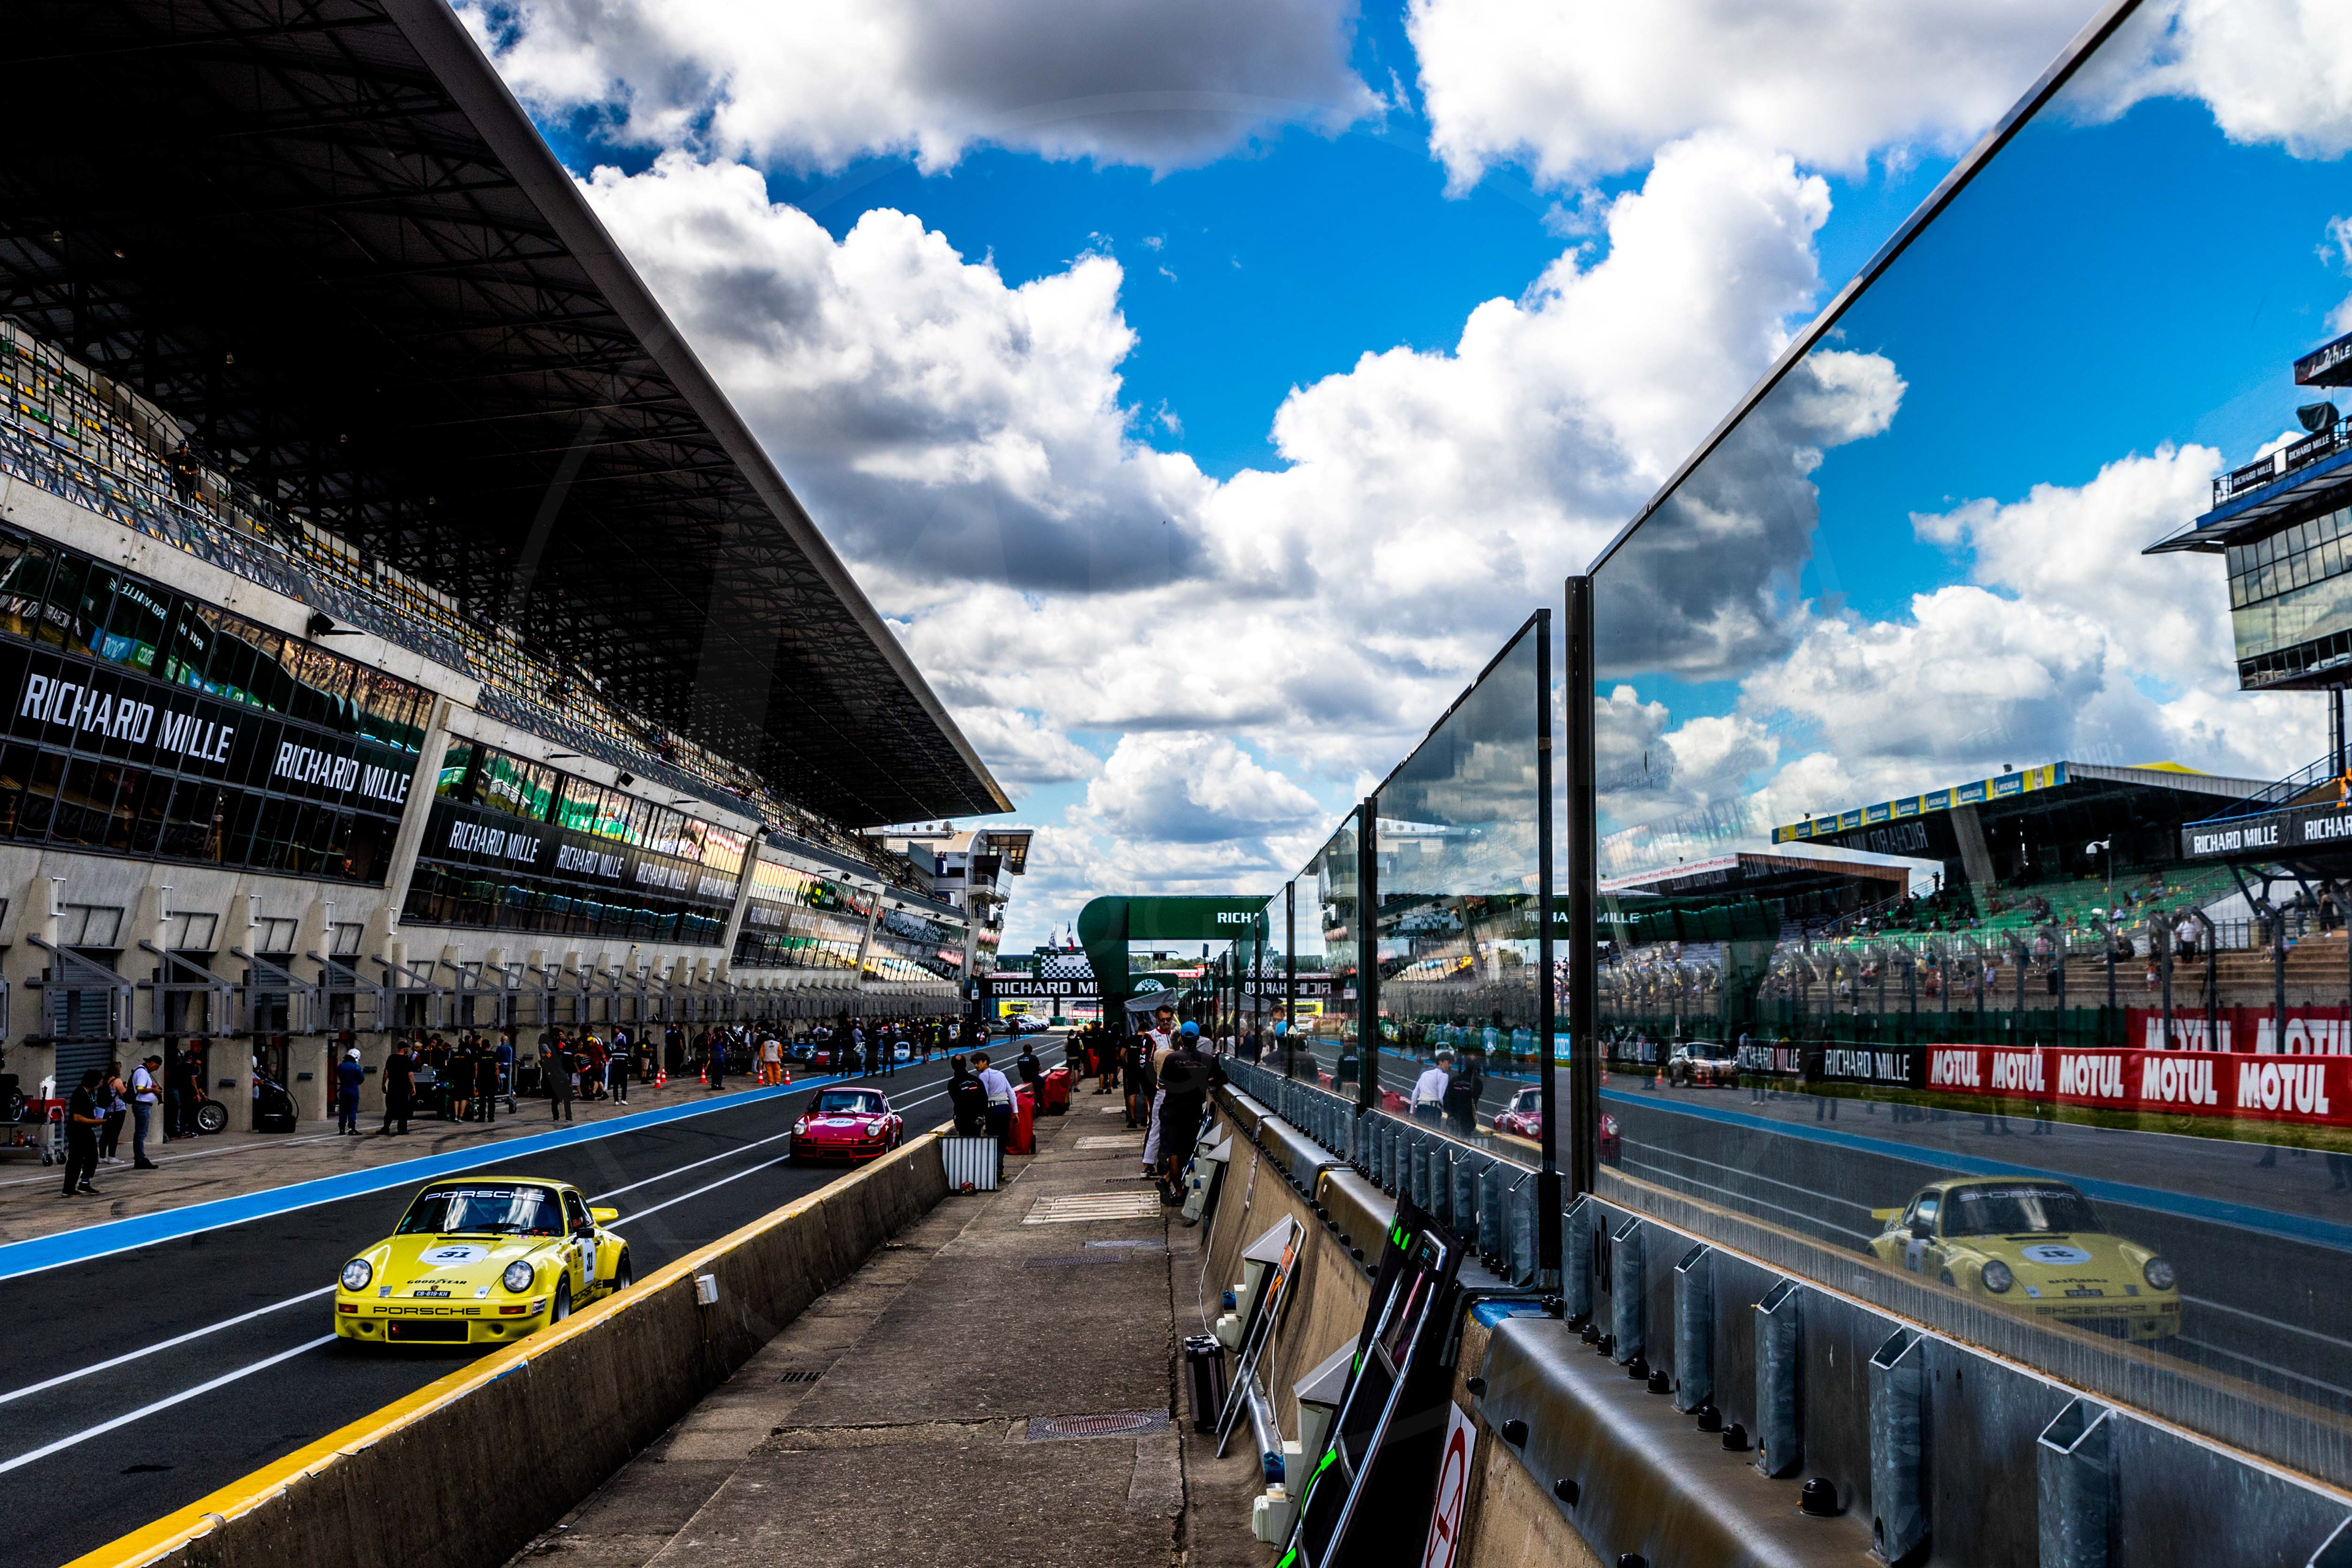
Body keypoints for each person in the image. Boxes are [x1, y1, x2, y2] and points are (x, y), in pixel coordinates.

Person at [61, 1069, 104, 1197]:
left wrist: (94, 1121)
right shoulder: (79, 1093)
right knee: (76, 1158)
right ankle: (68, 1187)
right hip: (76, 1130)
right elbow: (77, 1117)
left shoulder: (91, 1092)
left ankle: (85, 1182)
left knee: (93, 1155)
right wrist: (94, 1121)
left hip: (87, 1129)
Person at [974, 1052, 1016, 1148]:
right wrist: (1015, 1111)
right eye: (974, 1064)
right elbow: (1011, 1092)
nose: (976, 1066)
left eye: (978, 1063)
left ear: (985, 1062)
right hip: (1005, 1108)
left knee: (993, 1139)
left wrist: (981, 1113)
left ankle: (995, 1157)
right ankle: (1000, 1158)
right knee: (1003, 1138)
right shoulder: (1001, 1074)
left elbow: (984, 1095)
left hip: (993, 1109)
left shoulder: (983, 1076)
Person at [128, 1054, 161, 1169]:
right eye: (156, 1067)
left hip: (144, 1106)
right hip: (141, 1105)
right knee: (141, 1133)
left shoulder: (144, 1071)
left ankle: (140, 1158)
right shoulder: (142, 1072)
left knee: (141, 1133)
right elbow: (140, 1089)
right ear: (152, 1063)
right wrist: (153, 1090)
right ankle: (140, 1158)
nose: (156, 1070)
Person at [947, 1054, 990, 1136]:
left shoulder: (952, 1083)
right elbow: (984, 1099)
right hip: (977, 1118)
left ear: (953, 1066)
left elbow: (956, 1101)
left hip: (962, 1119)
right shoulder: (976, 1080)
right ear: (965, 1065)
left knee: (965, 1141)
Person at [380, 1039, 413, 1136]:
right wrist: (413, 1086)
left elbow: (386, 1072)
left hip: (392, 1087)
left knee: (390, 1108)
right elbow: (410, 1074)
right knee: (403, 1109)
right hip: (403, 1088)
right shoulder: (407, 1060)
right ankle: (402, 1129)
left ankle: (386, 1127)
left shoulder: (391, 1058)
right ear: (404, 1049)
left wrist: (383, 1084)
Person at [97, 1065, 129, 1165]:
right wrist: (126, 1088)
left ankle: (102, 1156)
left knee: (105, 1134)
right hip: (118, 1110)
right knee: (114, 1134)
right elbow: (123, 1095)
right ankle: (112, 1157)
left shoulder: (104, 1080)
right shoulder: (117, 1081)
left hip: (106, 1110)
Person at [1412, 1051, 1451, 1127]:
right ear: (1441, 1062)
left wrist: (1412, 1110)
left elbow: (1415, 1092)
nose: (1450, 1065)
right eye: (1449, 1063)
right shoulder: (1444, 1076)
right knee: (1433, 1131)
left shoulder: (1425, 1073)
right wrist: (1448, 1111)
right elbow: (1441, 1097)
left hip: (1420, 1107)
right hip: (1433, 1109)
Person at [337, 1048, 364, 1134]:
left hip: (343, 1090)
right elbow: (361, 1079)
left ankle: (342, 1129)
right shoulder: (356, 1067)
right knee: (352, 1110)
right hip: (353, 1090)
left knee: (343, 1110)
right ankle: (352, 1128)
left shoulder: (341, 1066)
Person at [548, 1036, 576, 1122]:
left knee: (555, 1100)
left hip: (556, 1079)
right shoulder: (567, 1056)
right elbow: (571, 1068)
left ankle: (556, 1117)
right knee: (566, 1100)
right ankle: (568, 1117)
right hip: (564, 1078)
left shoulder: (551, 1056)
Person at [476, 1041, 502, 1121]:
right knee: (491, 1100)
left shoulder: (479, 1055)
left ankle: (481, 1117)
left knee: (482, 1100)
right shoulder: (494, 1055)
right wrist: (498, 1079)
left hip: (482, 1079)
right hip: (492, 1079)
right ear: (489, 1046)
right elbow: (497, 1068)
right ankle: (491, 1117)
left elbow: (476, 1069)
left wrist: (476, 1079)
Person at [606, 1038, 629, 1106]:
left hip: (615, 1071)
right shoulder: (626, 1053)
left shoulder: (613, 1052)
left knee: (615, 1087)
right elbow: (629, 1062)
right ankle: (623, 1099)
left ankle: (616, 1100)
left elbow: (608, 1057)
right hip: (623, 1071)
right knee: (624, 1086)